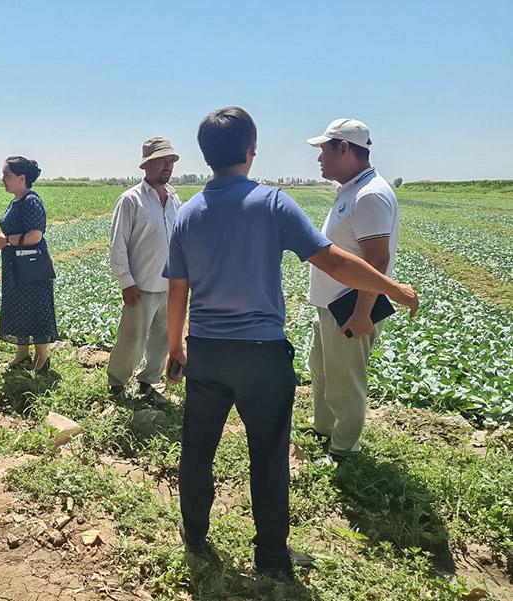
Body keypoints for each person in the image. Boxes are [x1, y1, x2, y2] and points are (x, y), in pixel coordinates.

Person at [164, 107, 419, 577]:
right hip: (261, 356)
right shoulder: (272, 203)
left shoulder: (188, 214)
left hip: (207, 350)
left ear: (206, 155)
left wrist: (175, 347)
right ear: (250, 152)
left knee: (197, 450)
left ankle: (195, 538)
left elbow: (177, 289)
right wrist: (392, 288)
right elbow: (335, 261)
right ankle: (272, 558)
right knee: (267, 455)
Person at [306, 119, 400, 463]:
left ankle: (344, 450)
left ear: (344, 148)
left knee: (346, 382)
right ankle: (324, 428)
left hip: (350, 307)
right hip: (332, 304)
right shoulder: (351, 189)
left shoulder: (370, 194)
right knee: (323, 369)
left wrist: (362, 314)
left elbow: (377, 259)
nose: (319, 159)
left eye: (323, 150)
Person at [107, 137, 181, 399]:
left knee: (162, 339)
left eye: (171, 161)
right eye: (162, 160)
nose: (168, 166)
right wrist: (126, 281)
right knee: (132, 340)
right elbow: (118, 245)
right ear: (146, 165)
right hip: (142, 284)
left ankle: (149, 383)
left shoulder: (174, 199)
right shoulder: (131, 200)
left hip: (170, 285)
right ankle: (117, 384)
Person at [0, 156, 58, 372]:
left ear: (22, 178)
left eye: (7, 175)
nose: (3, 179)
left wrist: (7, 240)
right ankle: (22, 355)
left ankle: (42, 358)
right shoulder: (17, 200)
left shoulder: (31, 201)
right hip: (16, 264)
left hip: (31, 265)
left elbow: (35, 236)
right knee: (19, 307)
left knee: (36, 307)